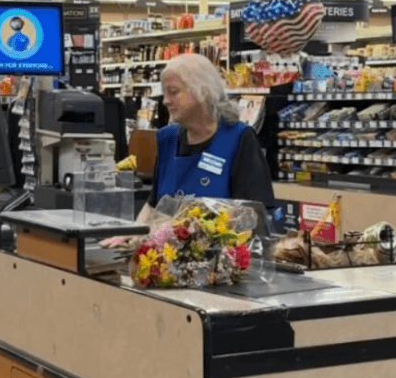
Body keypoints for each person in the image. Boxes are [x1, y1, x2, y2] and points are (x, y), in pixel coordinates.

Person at [103, 54, 275, 245]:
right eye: (165, 93)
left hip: (220, 258)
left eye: (173, 92)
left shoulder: (239, 138)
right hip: (168, 257)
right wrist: (134, 232)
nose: (165, 101)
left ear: (202, 91)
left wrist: (190, 228)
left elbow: (254, 214)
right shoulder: (166, 138)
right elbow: (155, 203)